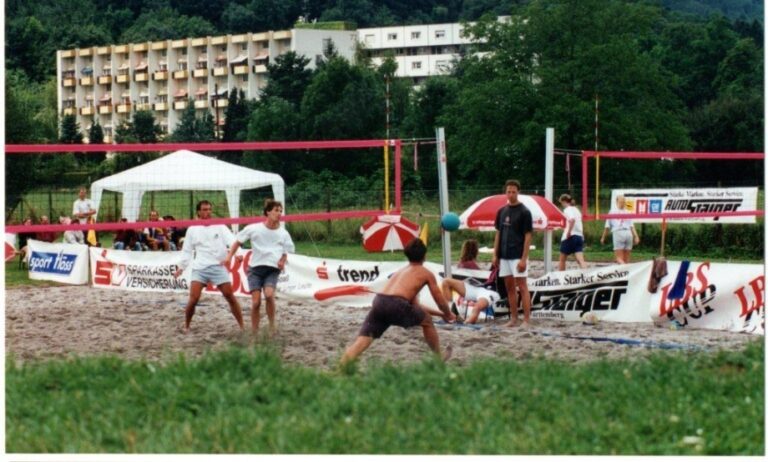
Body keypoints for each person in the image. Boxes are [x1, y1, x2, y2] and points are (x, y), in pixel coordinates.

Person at [340, 238, 456, 366]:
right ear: (425, 256)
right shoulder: (426, 273)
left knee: (362, 341)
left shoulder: (401, 271)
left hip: (379, 301)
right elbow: (439, 300)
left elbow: (416, 307)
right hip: (396, 304)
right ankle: (438, 358)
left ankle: (341, 368)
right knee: (427, 321)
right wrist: (448, 313)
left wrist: (441, 314)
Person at [173, 200, 244, 334]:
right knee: (193, 299)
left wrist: (238, 254)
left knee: (230, 296)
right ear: (198, 212)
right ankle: (187, 326)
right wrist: (181, 267)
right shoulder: (192, 229)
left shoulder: (220, 226)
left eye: (209, 209)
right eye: (204, 210)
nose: (207, 212)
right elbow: (187, 251)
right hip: (200, 268)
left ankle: (242, 327)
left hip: (218, 265)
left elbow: (232, 240)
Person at [226, 199, 295, 335]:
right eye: (276, 210)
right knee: (256, 302)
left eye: (281, 211)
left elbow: (287, 251)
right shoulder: (254, 228)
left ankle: (271, 325)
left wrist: (282, 260)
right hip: (255, 270)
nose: (279, 213)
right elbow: (237, 242)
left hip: (272, 269)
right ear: (268, 212)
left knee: (269, 295)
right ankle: (254, 331)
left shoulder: (283, 233)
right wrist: (229, 257)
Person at [493, 179, 533, 328]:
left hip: (517, 255)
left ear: (518, 192)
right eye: (508, 191)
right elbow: (498, 234)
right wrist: (495, 254)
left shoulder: (524, 212)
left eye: (513, 191)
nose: (510, 194)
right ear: (505, 192)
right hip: (504, 255)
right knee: (510, 288)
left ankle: (527, 319)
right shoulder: (501, 211)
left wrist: (524, 259)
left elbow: (528, 236)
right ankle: (514, 318)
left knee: (522, 287)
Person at [600, 195, 640, 264]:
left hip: (618, 233)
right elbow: (631, 226)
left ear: (617, 202)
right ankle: (627, 271)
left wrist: (603, 237)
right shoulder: (628, 211)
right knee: (626, 259)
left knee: (618, 258)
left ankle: (624, 269)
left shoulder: (612, 212)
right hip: (628, 233)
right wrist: (636, 236)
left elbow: (607, 227)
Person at [558, 194, 587, 271]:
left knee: (562, 259)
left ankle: (561, 277)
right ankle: (587, 275)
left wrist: (568, 232)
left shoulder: (567, 209)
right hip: (579, 236)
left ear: (564, 202)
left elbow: (572, 220)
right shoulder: (577, 210)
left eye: (561, 203)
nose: (562, 205)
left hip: (570, 236)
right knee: (580, 260)